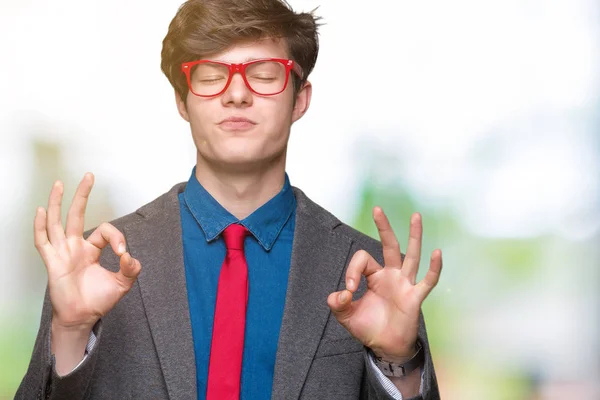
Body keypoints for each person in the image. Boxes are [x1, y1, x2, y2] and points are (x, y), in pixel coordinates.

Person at [16, 0, 443, 399]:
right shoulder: (99, 261)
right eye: (210, 74)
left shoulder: (372, 274)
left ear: (300, 99)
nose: (236, 93)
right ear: (182, 100)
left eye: (262, 72)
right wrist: (70, 330)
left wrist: (398, 363)